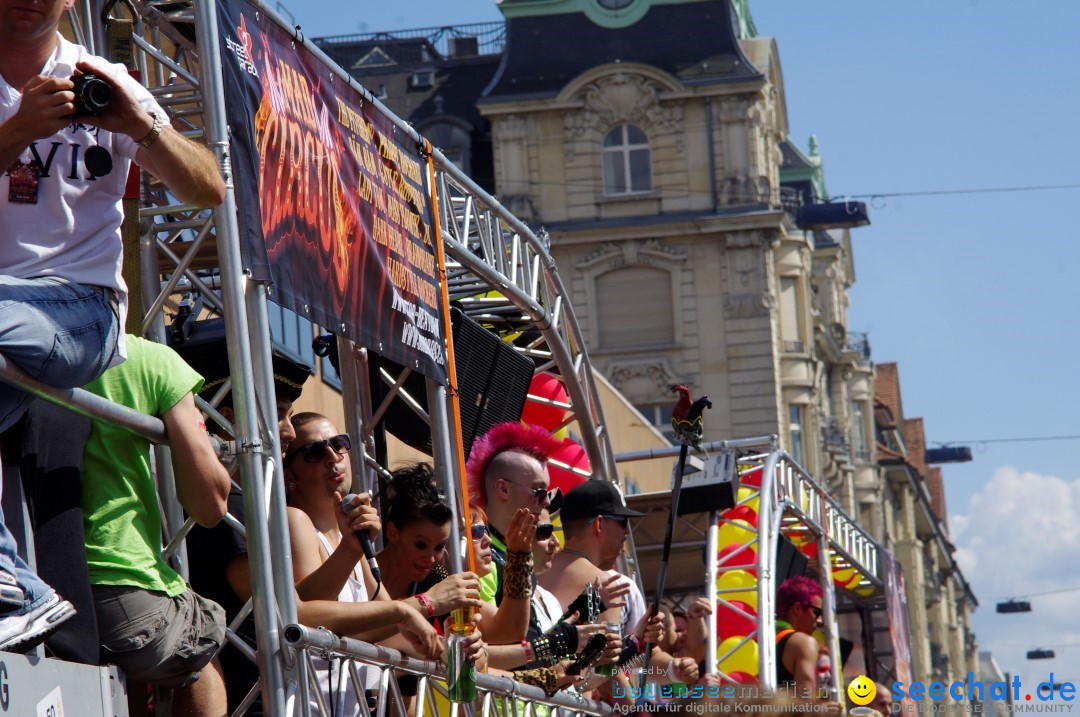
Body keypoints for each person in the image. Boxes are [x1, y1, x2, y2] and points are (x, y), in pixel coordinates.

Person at [0, 0, 225, 650]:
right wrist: (17, 129)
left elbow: (209, 187)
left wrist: (141, 128)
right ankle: (24, 588)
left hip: (84, 308)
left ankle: (16, 580)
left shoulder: (101, 78)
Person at [82, 334, 231, 715]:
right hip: (118, 572)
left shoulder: (17, 342)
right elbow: (210, 505)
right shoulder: (145, 358)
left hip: (31, 574)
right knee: (201, 640)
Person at [540, 479, 696, 695]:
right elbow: (602, 673)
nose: (628, 532)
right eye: (623, 521)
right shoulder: (609, 586)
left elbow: (634, 660)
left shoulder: (536, 574)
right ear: (599, 524)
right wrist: (632, 708)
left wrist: (672, 668)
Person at [466, 422, 559, 607]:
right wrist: (564, 635)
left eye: (546, 492)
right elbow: (496, 634)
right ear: (503, 489)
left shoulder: (511, 553)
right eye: (538, 491)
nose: (547, 502)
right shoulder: (481, 556)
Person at [775, 576, 826, 698]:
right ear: (797, 609)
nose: (820, 620)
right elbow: (806, 705)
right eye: (817, 612)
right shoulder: (804, 642)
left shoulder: (754, 639)